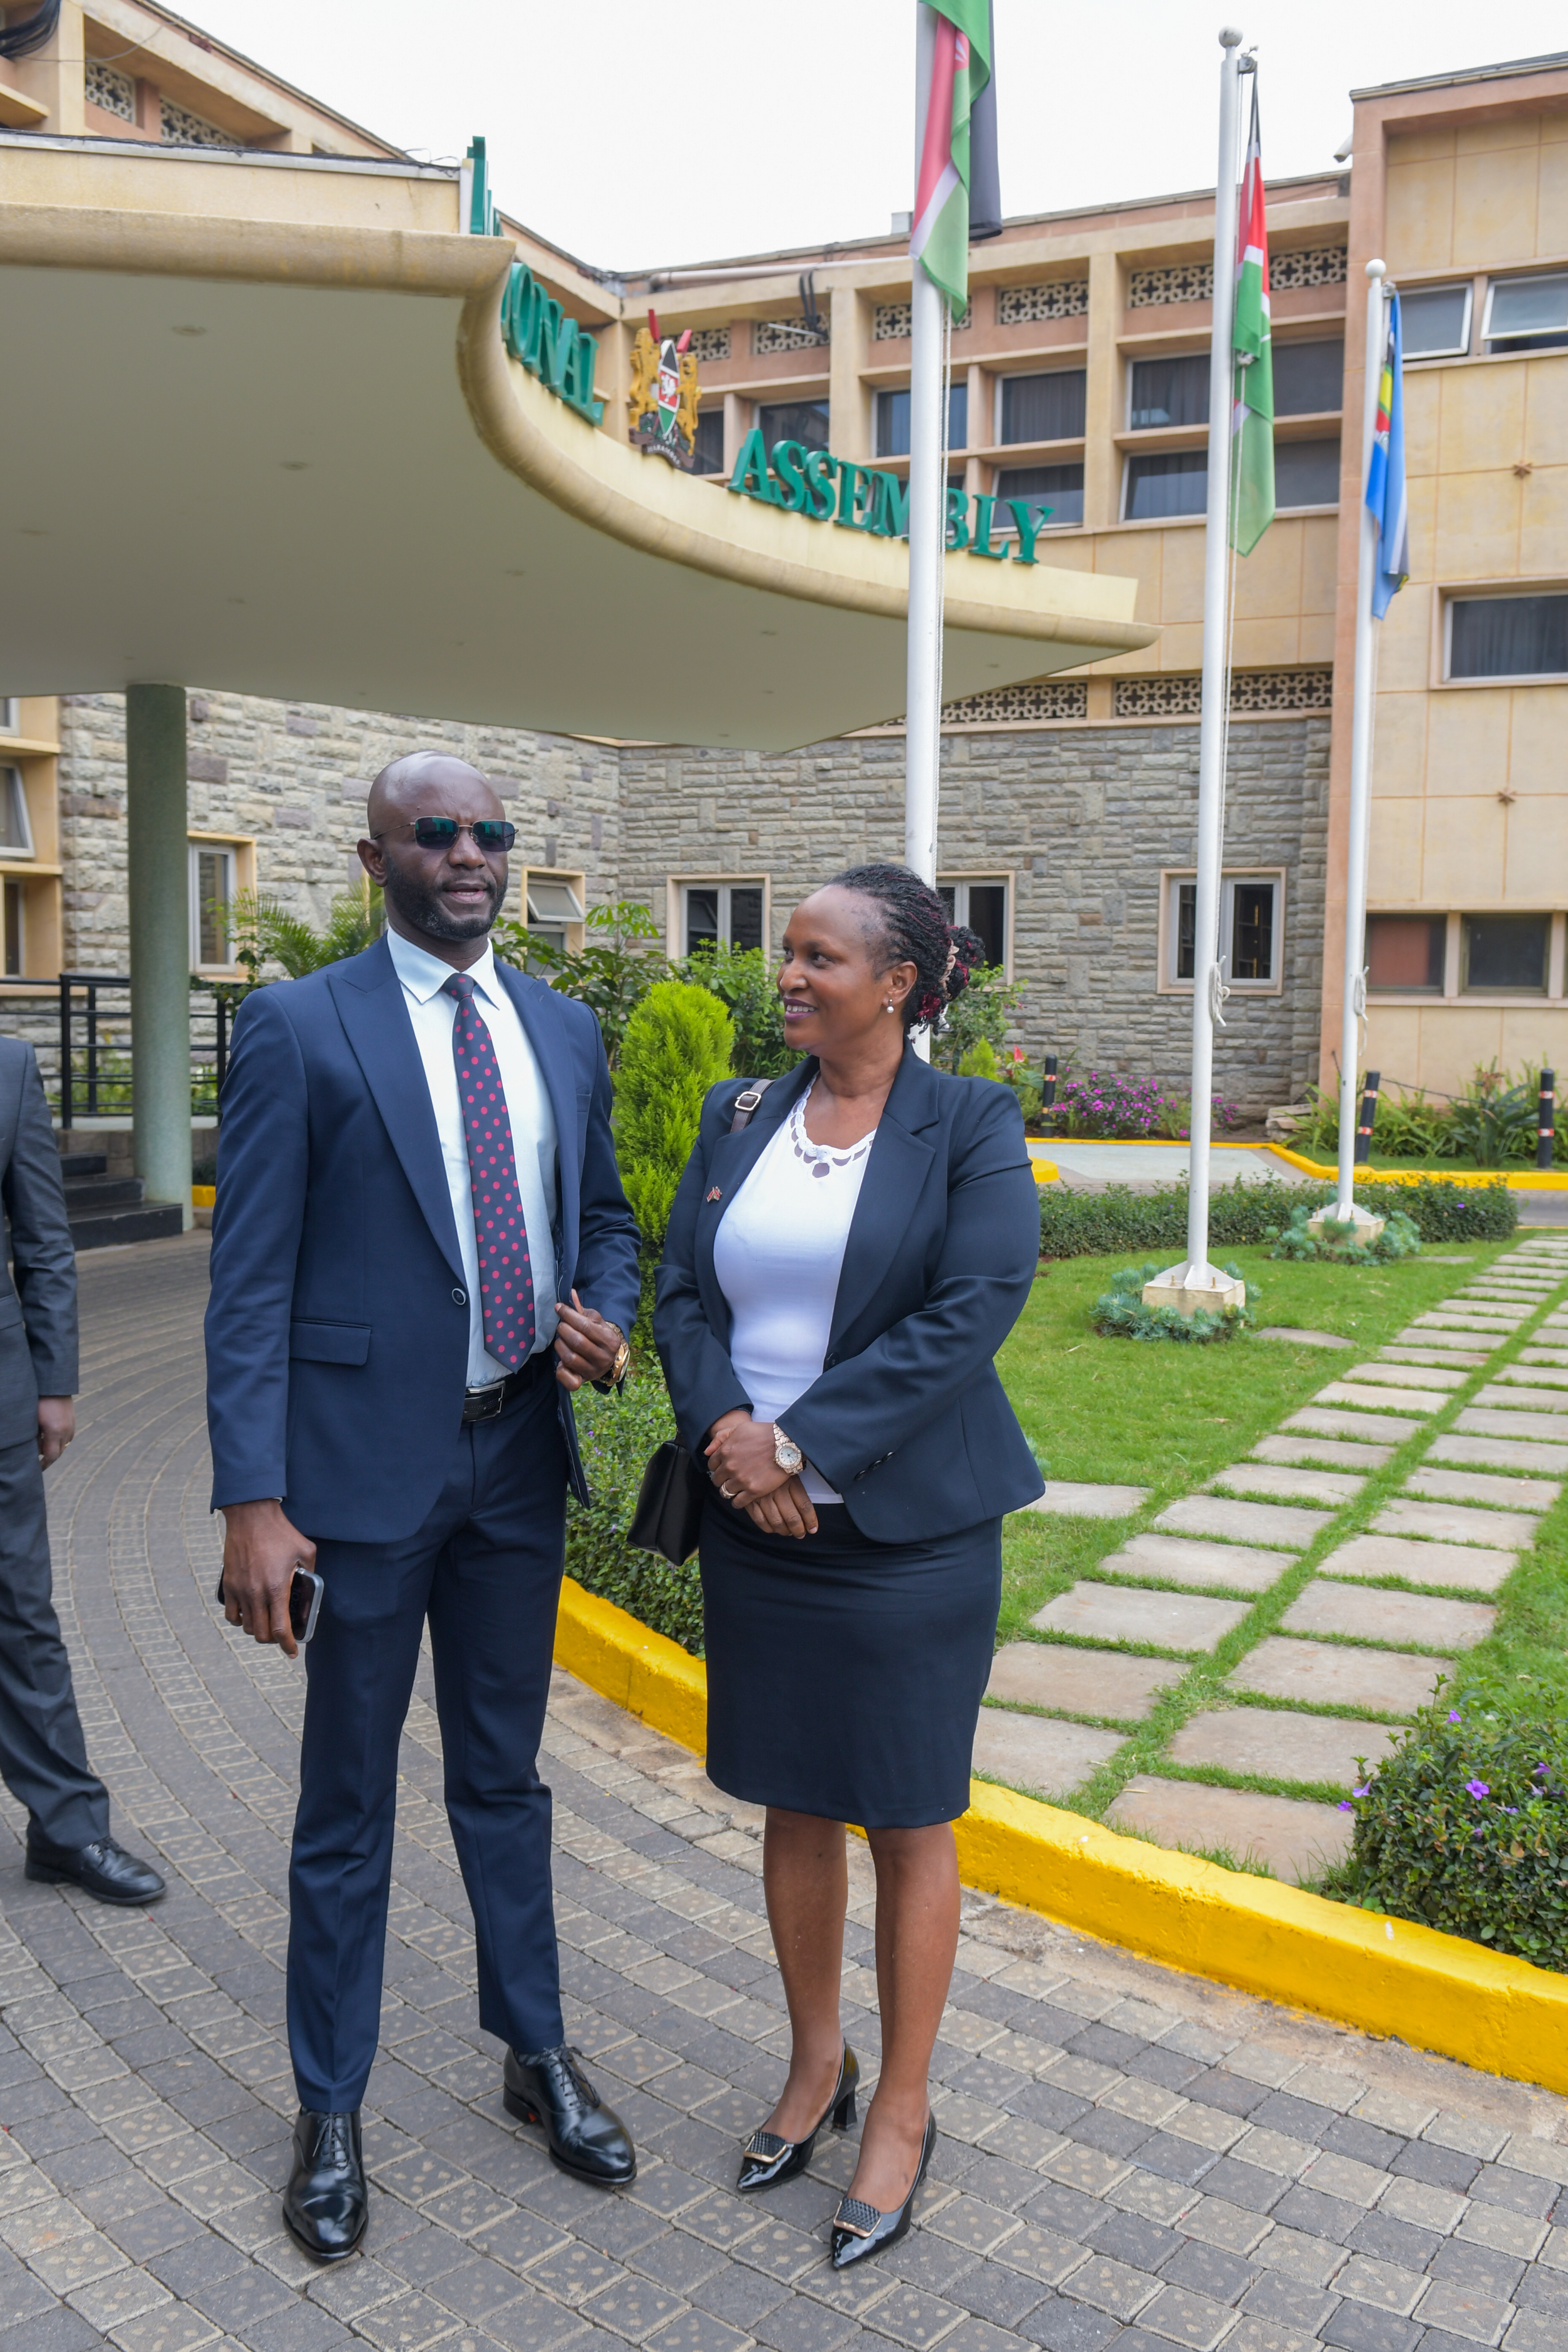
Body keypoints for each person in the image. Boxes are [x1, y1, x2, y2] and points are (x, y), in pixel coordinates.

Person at [206, 754, 642, 2263]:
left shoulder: (564, 1026)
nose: (470, 853)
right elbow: (248, 1279)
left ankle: (535, 2053)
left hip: (519, 1459)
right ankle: (329, 2105)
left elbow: (605, 1219)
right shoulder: (299, 1024)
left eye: (492, 833)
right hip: (362, 1486)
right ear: (378, 849)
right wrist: (251, 1496)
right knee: (346, 1804)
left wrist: (609, 1314)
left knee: (504, 1779)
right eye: (438, 831)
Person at [655, 863, 1043, 2269]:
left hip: (904, 1536)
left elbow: (971, 1308)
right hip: (754, 1523)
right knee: (794, 1798)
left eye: (821, 955)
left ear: (901, 982)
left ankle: (908, 2108)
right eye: (787, 953)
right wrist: (726, 1438)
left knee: (907, 1812)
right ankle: (818, 2064)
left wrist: (804, 1447)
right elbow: (682, 1288)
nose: (790, 975)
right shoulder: (741, 1111)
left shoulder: (970, 1121)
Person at [0, 1039, 165, 1906]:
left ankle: (66, 1831)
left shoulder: (7, 1069)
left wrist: (54, 1383)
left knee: (20, 1615)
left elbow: (43, 1241)